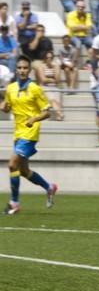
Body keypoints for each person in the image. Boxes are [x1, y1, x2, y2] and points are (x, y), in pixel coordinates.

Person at [1, 55, 58, 215]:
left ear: (30, 70)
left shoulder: (35, 88)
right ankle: (49, 187)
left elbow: (47, 113)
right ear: (16, 70)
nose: (22, 71)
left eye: (25, 68)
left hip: (30, 133)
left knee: (12, 164)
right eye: (19, 68)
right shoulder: (11, 88)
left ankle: (14, 203)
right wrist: (4, 106)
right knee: (24, 171)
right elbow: (7, 108)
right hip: (18, 133)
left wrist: (34, 119)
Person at [35, 51, 64, 121]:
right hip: (44, 87)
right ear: (44, 58)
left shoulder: (56, 66)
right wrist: (52, 79)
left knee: (57, 99)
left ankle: (59, 115)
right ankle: (59, 113)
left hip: (55, 87)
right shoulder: (41, 66)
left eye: (51, 58)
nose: (49, 59)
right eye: (47, 58)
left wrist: (54, 69)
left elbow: (58, 80)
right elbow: (43, 80)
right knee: (52, 99)